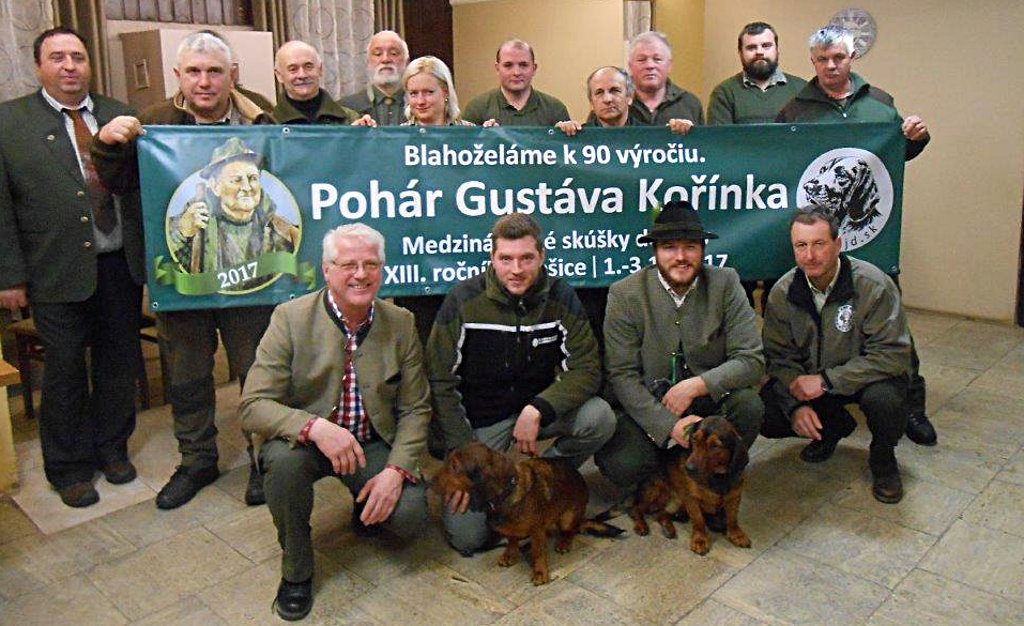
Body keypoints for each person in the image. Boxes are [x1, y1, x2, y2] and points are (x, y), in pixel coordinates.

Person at [92, 30, 277, 510]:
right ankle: (197, 459)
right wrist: (109, 145)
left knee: (256, 371)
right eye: (194, 71)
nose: (204, 81)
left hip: (250, 274)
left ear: (232, 74)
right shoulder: (151, 123)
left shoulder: (263, 115)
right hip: (183, 275)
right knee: (188, 376)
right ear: (178, 76)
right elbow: (118, 183)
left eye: (215, 71)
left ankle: (263, 460)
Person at [240, 223, 429, 621]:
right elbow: (253, 404)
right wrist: (314, 428)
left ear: (382, 269)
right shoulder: (289, 319)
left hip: (370, 441)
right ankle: (296, 570)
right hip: (306, 443)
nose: (360, 274)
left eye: (371, 264)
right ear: (327, 270)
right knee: (284, 468)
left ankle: (365, 508)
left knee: (411, 517)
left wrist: (396, 470)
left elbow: (415, 408)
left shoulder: (402, 323)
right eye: (348, 265)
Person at [0, 27, 144, 507]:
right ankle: (68, 468)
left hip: (119, 266)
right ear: (38, 65)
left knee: (118, 362)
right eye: (57, 57)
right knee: (63, 371)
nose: (69, 66)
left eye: (78, 57)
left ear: (89, 64)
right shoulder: (11, 123)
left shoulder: (120, 113)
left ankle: (112, 449)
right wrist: (8, 276)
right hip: (53, 270)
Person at [776, 26, 936, 446]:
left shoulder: (880, 105)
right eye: (822, 59)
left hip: (872, 238)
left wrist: (917, 139)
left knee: (891, 321)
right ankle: (831, 404)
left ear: (852, 58)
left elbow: (896, 153)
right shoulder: (793, 111)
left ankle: (912, 407)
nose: (831, 66)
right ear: (812, 61)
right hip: (818, 234)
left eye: (839, 58)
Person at [427, 214, 615, 556]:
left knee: (599, 417)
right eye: (506, 259)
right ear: (492, 258)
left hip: (538, 411)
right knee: (469, 539)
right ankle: (502, 492)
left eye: (526, 258)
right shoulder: (463, 300)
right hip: (482, 423)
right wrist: (465, 449)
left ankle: (544, 481)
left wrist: (539, 407)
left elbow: (587, 368)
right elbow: (440, 381)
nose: (516, 269)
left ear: (541, 257)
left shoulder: (562, 297)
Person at [595, 201, 764, 490]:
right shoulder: (624, 294)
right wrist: (667, 425)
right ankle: (667, 474)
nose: (681, 257)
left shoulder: (726, 283)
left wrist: (697, 385)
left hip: (707, 399)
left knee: (748, 406)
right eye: (669, 247)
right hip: (650, 403)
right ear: (655, 251)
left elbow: (752, 361)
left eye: (690, 247)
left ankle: (717, 481)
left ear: (703, 250)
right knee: (623, 465)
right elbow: (622, 376)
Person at [761, 207, 912, 503]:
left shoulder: (873, 285)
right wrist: (794, 407)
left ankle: (883, 458)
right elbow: (778, 359)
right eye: (801, 246)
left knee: (886, 401)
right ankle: (830, 429)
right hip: (815, 383)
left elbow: (894, 355)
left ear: (838, 244)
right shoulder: (782, 292)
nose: (810, 255)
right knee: (766, 412)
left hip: (865, 380)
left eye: (819, 244)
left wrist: (828, 380)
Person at [708, 21, 807, 313]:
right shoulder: (725, 93)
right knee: (736, 292)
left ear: (777, 48)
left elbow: (807, 144)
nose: (759, 52)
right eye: (751, 47)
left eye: (765, 46)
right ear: (741, 52)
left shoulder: (802, 90)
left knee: (786, 291)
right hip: (741, 208)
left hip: (788, 204)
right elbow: (721, 147)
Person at [168, 137, 299, 287]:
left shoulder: (283, 231)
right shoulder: (191, 224)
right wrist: (181, 232)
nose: (247, 187)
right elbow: (162, 260)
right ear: (215, 186)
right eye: (236, 180)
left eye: (253, 178)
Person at [461, 39, 570, 127]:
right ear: (497, 68)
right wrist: (485, 137)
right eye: (508, 65)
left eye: (523, 65)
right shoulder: (477, 108)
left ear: (534, 68)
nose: (516, 72)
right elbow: (463, 149)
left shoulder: (555, 109)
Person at [271, 40, 364, 125]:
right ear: (279, 75)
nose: (302, 75)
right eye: (293, 69)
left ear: (320, 70)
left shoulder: (349, 119)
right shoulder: (269, 126)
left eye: (308, 66)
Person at [627, 31, 702, 134]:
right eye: (641, 60)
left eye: (657, 59)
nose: (650, 65)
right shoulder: (619, 103)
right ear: (630, 66)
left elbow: (702, 146)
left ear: (669, 65)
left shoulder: (689, 104)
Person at [340, 30, 409, 126]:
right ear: (368, 62)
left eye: (393, 53)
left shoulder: (422, 105)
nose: (385, 59)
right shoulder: (344, 108)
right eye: (377, 54)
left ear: (406, 61)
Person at [555, 66, 634, 136]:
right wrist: (558, 136)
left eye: (615, 90)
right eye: (599, 92)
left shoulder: (645, 136)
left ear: (629, 97)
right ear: (591, 103)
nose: (607, 99)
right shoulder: (578, 137)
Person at [400, 55, 477, 127]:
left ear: (446, 92)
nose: (420, 101)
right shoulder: (398, 136)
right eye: (413, 93)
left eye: (429, 92)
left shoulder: (468, 132)